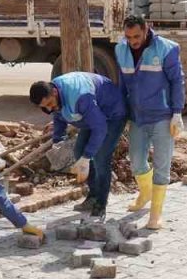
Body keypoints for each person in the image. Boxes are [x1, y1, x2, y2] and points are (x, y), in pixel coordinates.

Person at [115, 15, 185, 230]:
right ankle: (145, 193)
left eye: (137, 36)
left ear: (146, 30)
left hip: (162, 117)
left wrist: (177, 113)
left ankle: (156, 214)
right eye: (128, 37)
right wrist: (121, 113)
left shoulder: (167, 49)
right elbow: (122, 85)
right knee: (136, 162)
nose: (133, 41)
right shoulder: (120, 50)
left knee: (162, 166)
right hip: (137, 117)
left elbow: (177, 81)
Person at [29, 71, 128, 218]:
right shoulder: (53, 95)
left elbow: (100, 128)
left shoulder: (80, 96)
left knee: (100, 157)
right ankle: (93, 195)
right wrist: (58, 140)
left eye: (49, 104)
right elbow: (58, 115)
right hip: (93, 115)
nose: (49, 109)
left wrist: (87, 157)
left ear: (55, 92)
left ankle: (101, 204)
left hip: (113, 113)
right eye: (44, 108)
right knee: (79, 151)